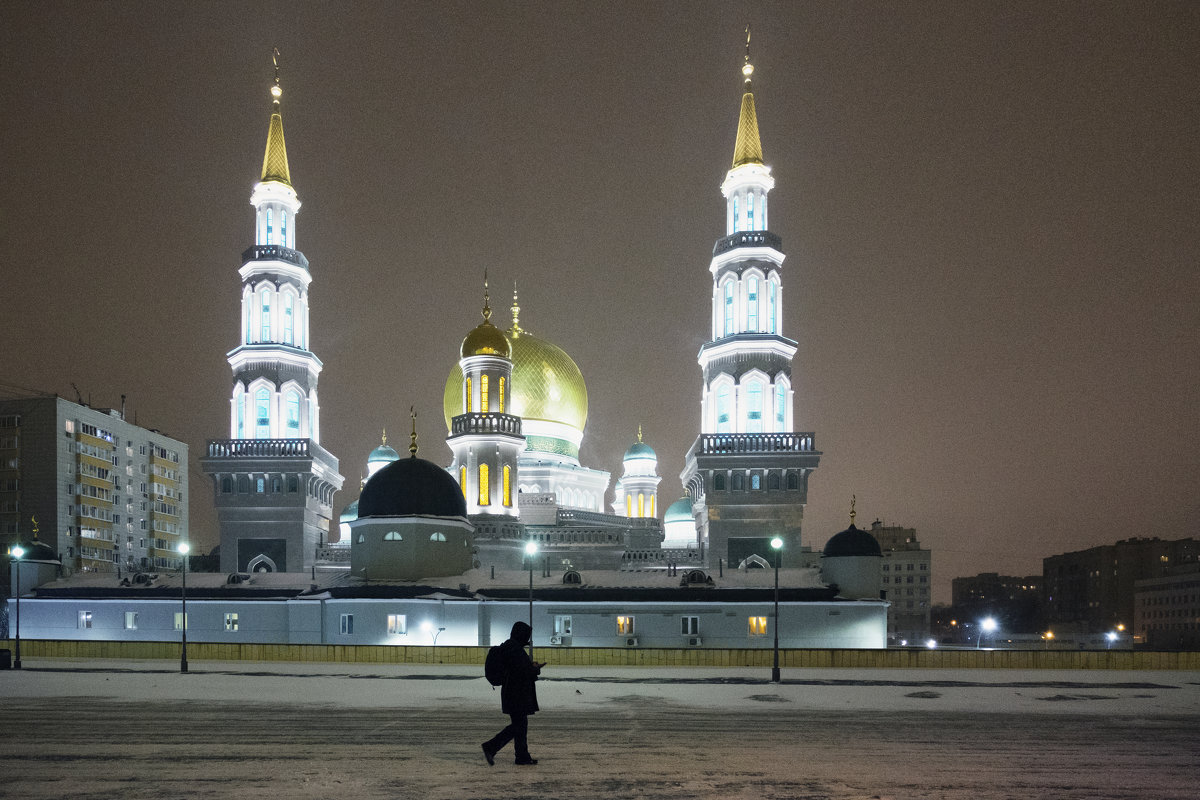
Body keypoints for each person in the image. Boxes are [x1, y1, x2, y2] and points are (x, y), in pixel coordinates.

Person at [482, 621, 545, 766]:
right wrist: (535, 668)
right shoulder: (514, 650)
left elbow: (518, 669)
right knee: (518, 726)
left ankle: (522, 756)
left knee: (520, 725)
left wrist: (531, 667)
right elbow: (523, 671)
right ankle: (491, 747)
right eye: (527, 636)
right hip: (516, 694)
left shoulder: (510, 647)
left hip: (513, 693)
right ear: (521, 634)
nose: (528, 640)